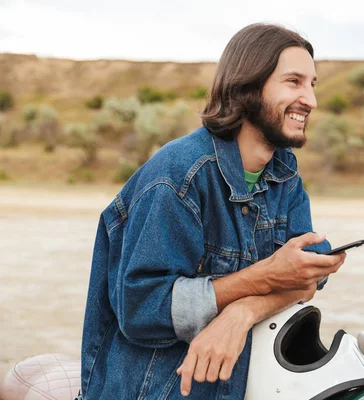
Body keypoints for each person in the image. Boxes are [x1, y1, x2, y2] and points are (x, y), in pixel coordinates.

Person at [79, 23, 347, 399]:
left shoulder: (283, 172)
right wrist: (266, 276)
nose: (310, 100)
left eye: (312, 84)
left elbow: (305, 277)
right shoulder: (178, 177)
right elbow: (141, 308)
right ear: (247, 87)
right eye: (294, 82)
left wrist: (243, 313)